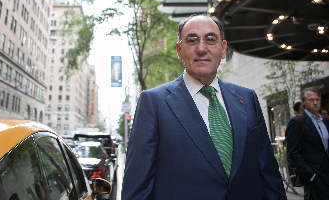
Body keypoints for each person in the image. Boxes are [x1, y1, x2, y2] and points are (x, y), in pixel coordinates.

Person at [121, 15, 286, 200]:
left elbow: (268, 174)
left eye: (210, 39)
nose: (201, 48)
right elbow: (137, 190)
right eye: (192, 41)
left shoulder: (247, 98)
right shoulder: (153, 103)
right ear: (179, 50)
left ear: (223, 49)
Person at [286, 88, 329, 200]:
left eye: (317, 99)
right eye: (311, 100)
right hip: (313, 173)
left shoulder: (325, 121)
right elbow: (293, 152)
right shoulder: (297, 121)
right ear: (303, 102)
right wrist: (310, 174)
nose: (315, 102)